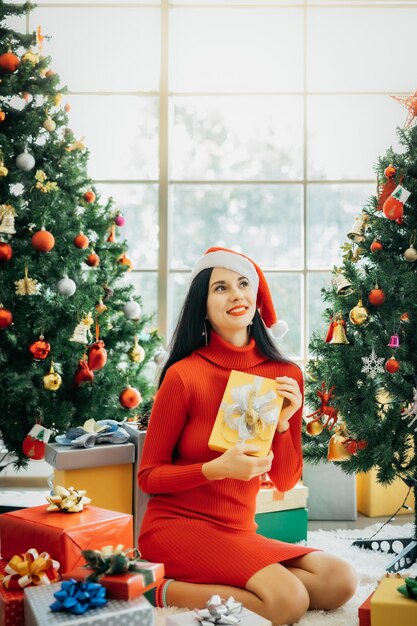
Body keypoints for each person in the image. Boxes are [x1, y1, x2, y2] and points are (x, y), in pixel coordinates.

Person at [138, 247, 357, 625]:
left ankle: (239, 580)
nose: (236, 294)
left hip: (238, 529)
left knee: (340, 580)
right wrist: (213, 469)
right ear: (203, 307)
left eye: (243, 284)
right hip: (177, 526)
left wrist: (286, 424)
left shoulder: (283, 375)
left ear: (256, 297)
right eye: (220, 288)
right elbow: (148, 477)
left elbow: (286, 480)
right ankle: (151, 587)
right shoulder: (183, 375)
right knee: (286, 604)